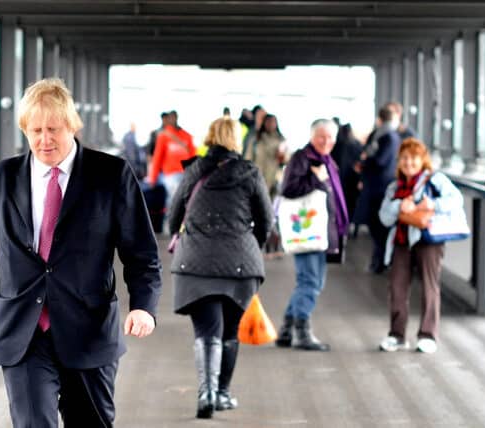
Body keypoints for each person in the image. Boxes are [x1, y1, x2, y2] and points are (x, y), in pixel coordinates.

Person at [0, 78, 162, 428]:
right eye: (35, 130)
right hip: (22, 330)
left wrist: (144, 306)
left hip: (89, 330)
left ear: (71, 126)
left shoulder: (110, 175)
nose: (44, 140)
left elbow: (141, 251)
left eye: (53, 129)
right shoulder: (1, 179)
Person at [167, 117, 273, 419]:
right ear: (236, 141)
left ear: (209, 138)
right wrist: (253, 245)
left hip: (196, 263)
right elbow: (266, 220)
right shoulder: (250, 173)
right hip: (240, 264)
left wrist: (182, 234)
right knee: (230, 332)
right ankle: (223, 393)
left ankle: (206, 392)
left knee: (206, 331)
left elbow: (174, 216)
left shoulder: (194, 171)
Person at [378, 138, 464, 354]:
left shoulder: (436, 180)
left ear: (423, 159)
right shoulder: (394, 187)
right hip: (401, 242)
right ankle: (396, 335)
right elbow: (384, 217)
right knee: (397, 288)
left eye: (414, 158)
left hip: (428, 241)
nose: (409, 162)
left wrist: (433, 204)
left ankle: (428, 335)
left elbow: (456, 199)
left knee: (429, 287)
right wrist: (400, 206)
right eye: (405, 158)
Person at [275, 118, 349, 351]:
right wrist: (315, 178)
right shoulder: (302, 158)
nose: (326, 141)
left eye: (330, 137)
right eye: (321, 136)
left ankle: (286, 330)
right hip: (307, 231)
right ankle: (302, 333)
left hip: (319, 232)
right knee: (310, 281)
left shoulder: (327, 160)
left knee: (312, 281)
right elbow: (288, 189)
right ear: (311, 136)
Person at [358, 105, 401, 273]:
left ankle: (381, 261)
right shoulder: (388, 136)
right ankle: (380, 260)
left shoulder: (385, 137)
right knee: (377, 224)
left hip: (380, 186)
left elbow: (380, 161)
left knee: (378, 224)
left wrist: (365, 162)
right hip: (379, 185)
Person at [148, 109, 197, 209]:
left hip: (183, 174)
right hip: (172, 175)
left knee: (180, 201)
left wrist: (152, 179)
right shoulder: (164, 136)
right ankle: (172, 222)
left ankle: (174, 222)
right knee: (174, 201)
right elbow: (157, 158)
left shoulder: (186, 136)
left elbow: (193, 156)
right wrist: (153, 178)